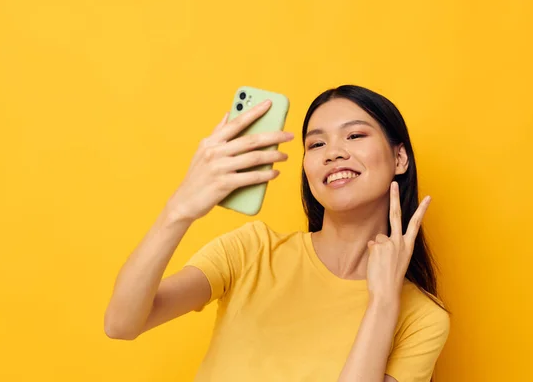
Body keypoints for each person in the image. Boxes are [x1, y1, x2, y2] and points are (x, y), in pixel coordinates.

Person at [104, 85, 450, 382]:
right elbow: (122, 323)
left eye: (355, 135)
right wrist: (179, 209)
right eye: (316, 145)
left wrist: (384, 302)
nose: (333, 153)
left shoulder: (422, 318)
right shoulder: (252, 250)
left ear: (400, 157)